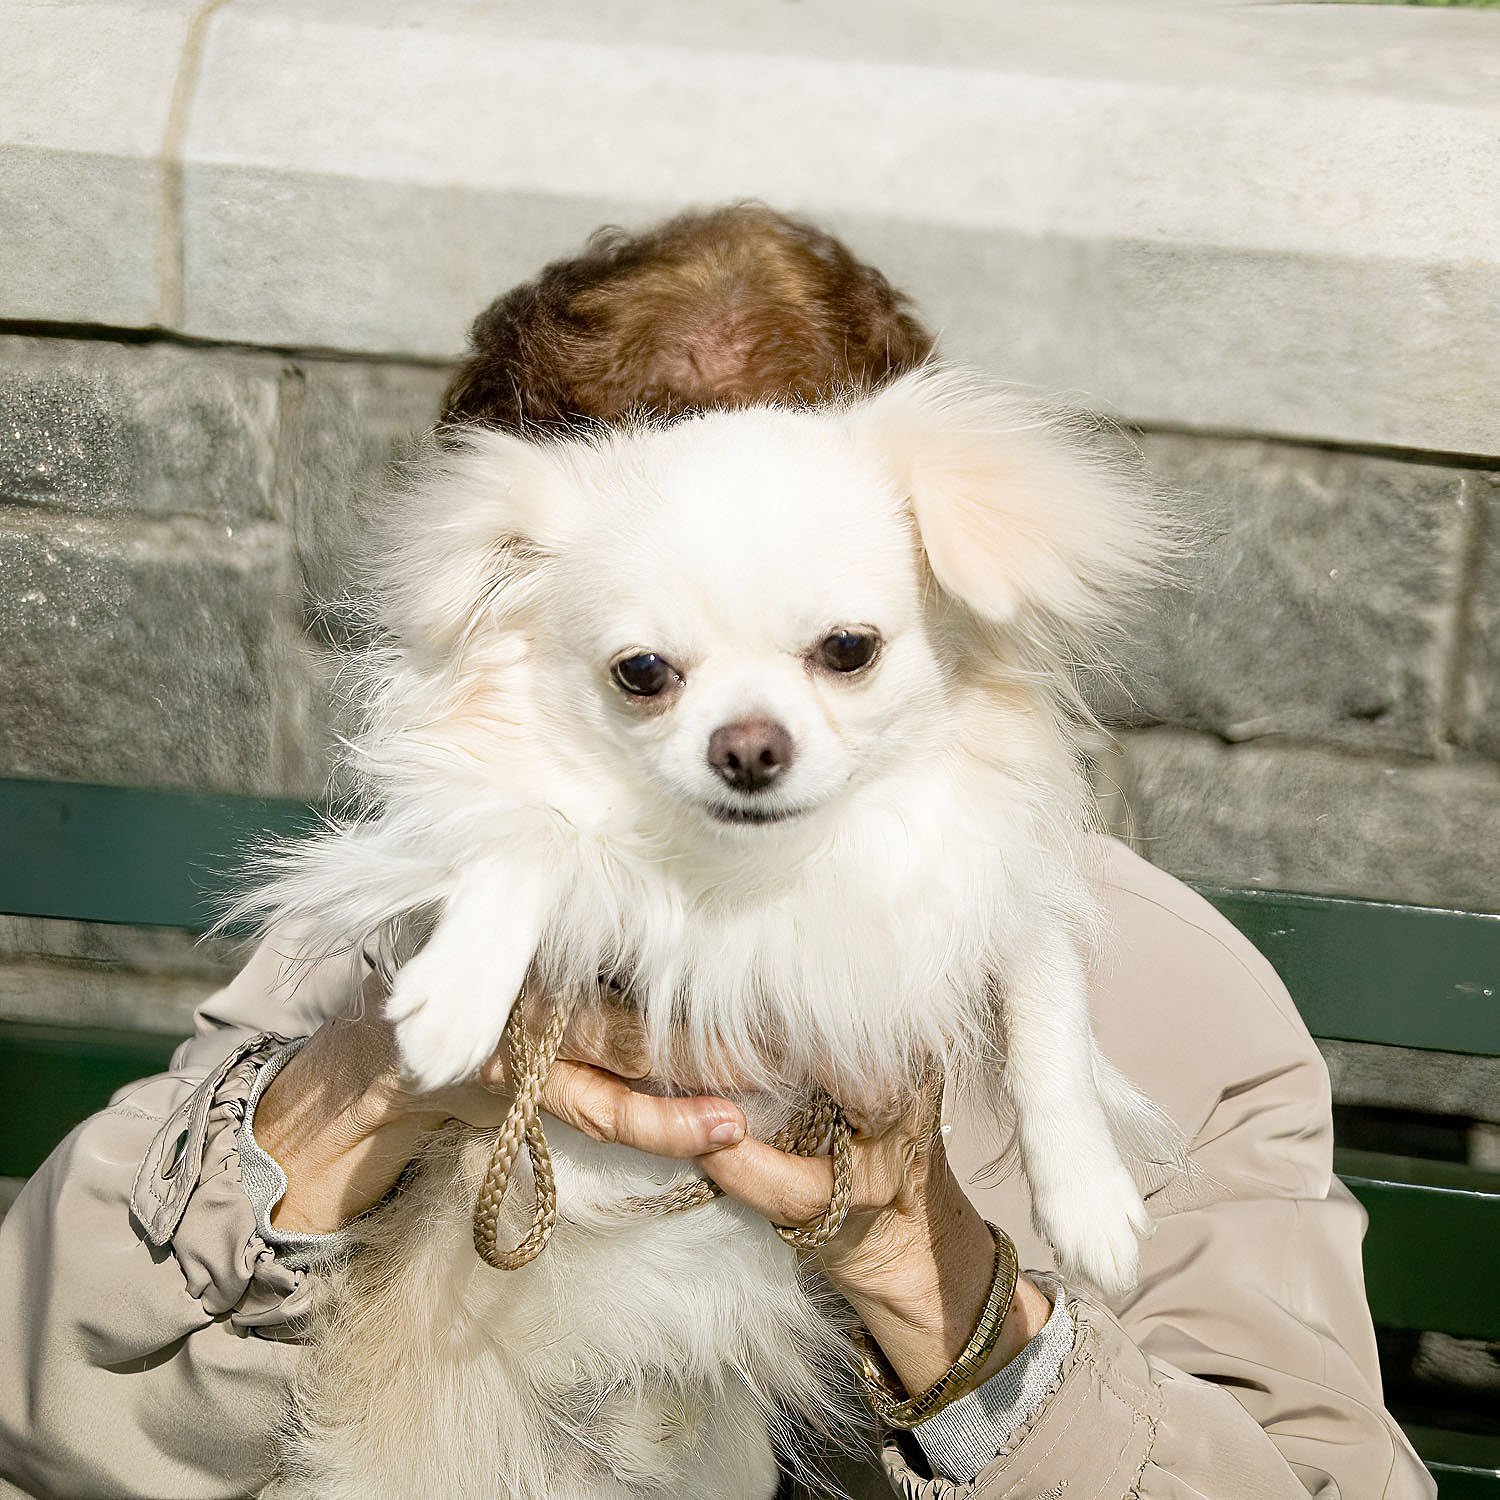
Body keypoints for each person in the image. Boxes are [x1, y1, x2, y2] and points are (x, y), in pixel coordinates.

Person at [0, 205, 1434, 1500]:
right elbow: (43, 1404)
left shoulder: (1173, 994)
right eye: (645, 666)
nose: (749, 732)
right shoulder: (396, 937)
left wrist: (921, 1266)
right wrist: (359, 1093)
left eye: (839, 643)